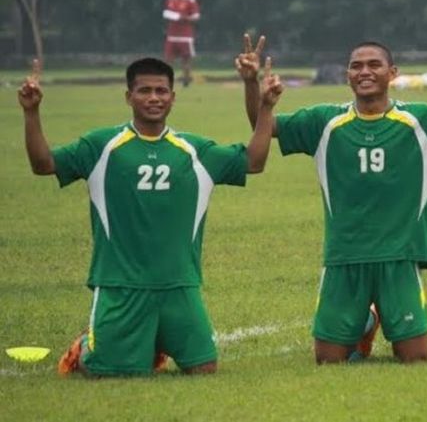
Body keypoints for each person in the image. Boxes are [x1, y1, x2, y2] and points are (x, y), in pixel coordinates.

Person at [237, 30, 427, 364]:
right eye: (355, 66)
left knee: (416, 357)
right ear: (348, 75)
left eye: (374, 65)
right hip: (344, 256)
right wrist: (252, 85)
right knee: (328, 360)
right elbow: (264, 126)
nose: (364, 72)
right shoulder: (325, 122)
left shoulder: (420, 120)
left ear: (392, 73)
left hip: (400, 255)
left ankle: (375, 315)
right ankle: (364, 324)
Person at [17, 53, 283, 377]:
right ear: (128, 97)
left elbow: (254, 162)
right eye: (144, 91)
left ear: (173, 97)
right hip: (121, 285)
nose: (153, 98)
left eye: (161, 91)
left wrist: (265, 106)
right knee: (112, 374)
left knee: (204, 369)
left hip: (179, 286)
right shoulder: (101, 145)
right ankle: (86, 347)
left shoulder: (194, 149)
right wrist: (31, 113)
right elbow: (43, 164)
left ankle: (151, 338)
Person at [163, 0, 200, 87]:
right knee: (168, 59)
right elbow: (166, 13)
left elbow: (196, 17)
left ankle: (186, 80)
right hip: (172, 35)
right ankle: (168, 81)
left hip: (185, 36)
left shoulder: (191, 0)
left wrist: (184, 18)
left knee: (186, 59)